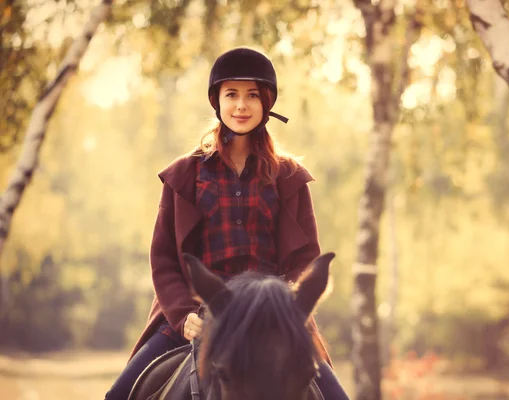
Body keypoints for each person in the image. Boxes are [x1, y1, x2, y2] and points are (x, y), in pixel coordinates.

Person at [105, 47, 349, 400]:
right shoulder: (184, 176)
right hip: (197, 315)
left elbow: (304, 260)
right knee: (117, 396)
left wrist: (286, 311)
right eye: (231, 94)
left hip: (272, 319)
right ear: (216, 101)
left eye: (252, 95)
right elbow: (164, 261)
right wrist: (182, 315)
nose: (241, 106)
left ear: (266, 103)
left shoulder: (289, 177)